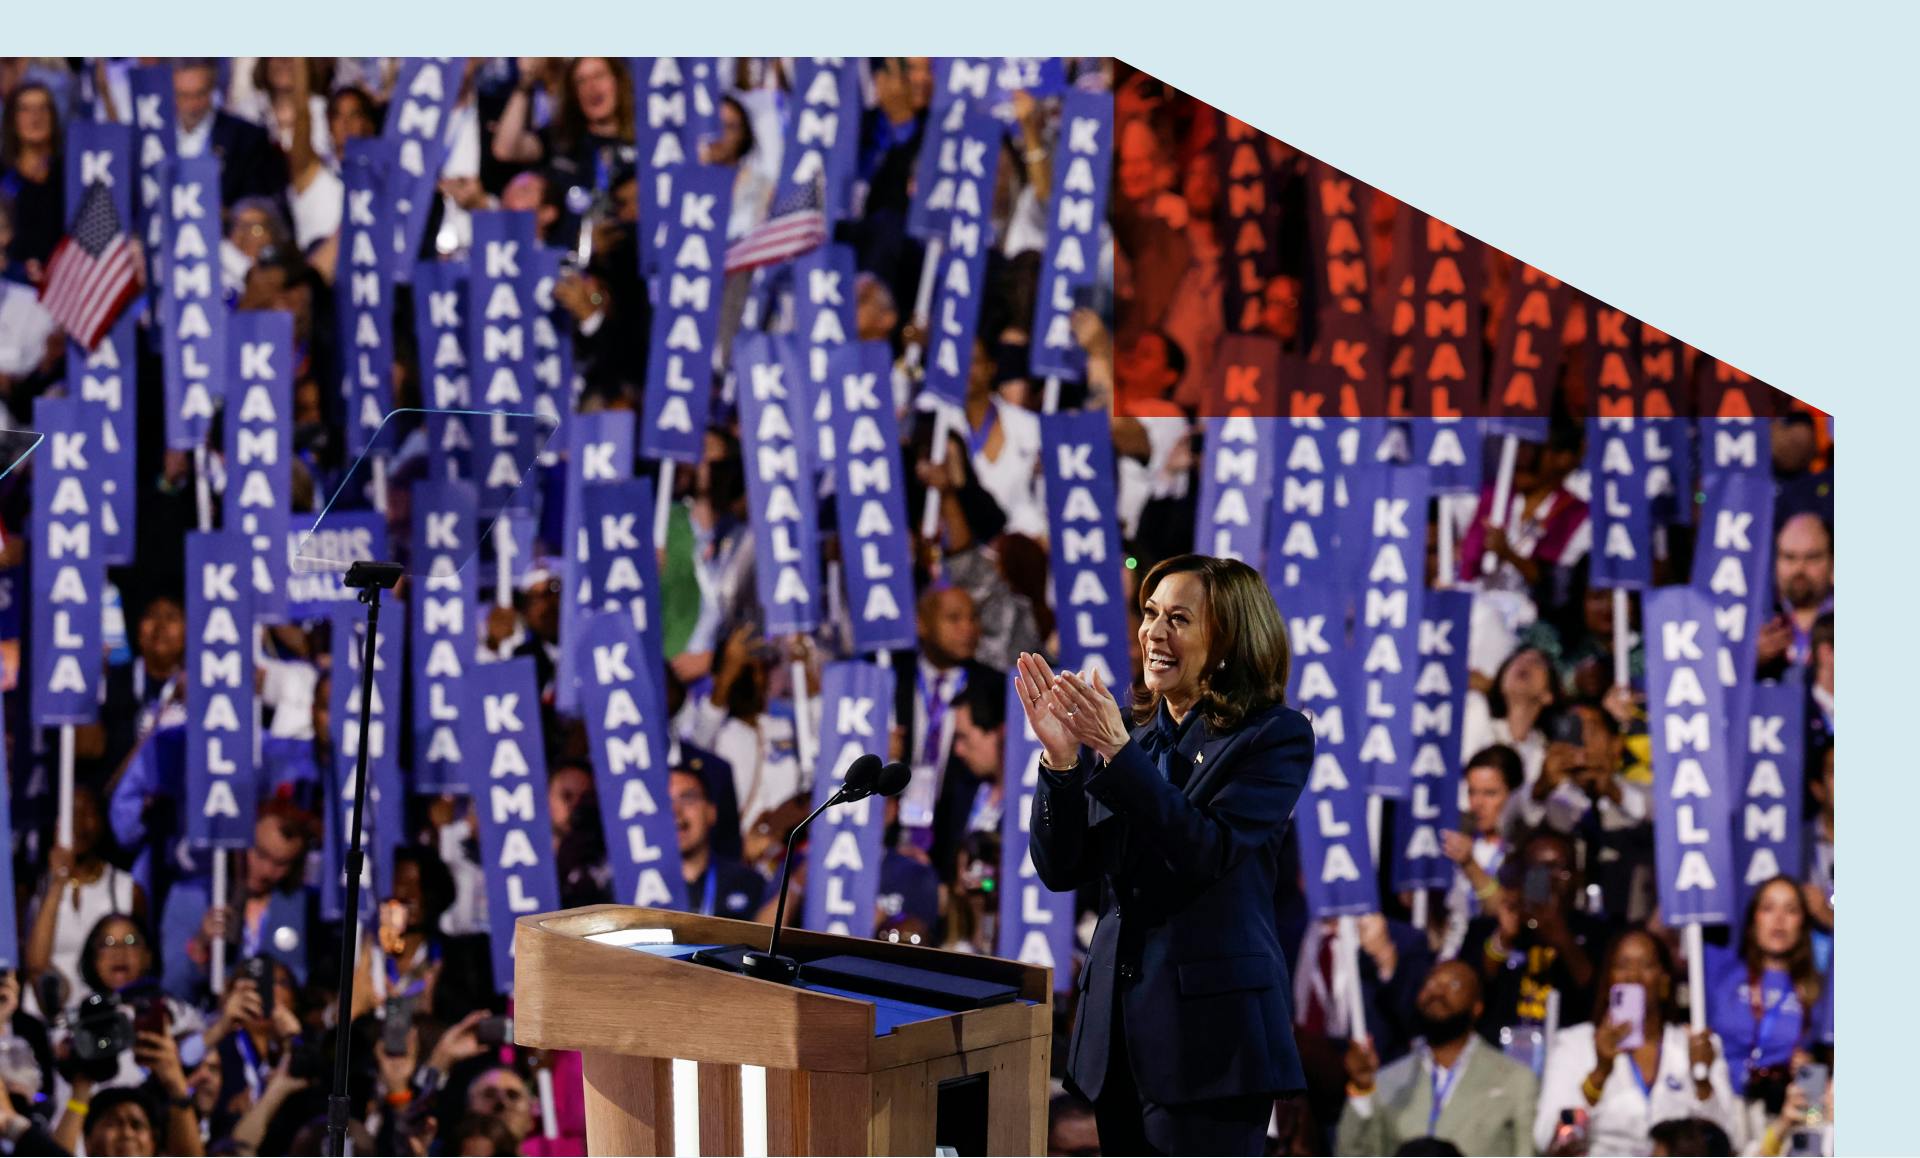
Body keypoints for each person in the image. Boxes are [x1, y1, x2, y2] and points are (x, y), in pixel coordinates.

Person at [1022, 554, 1312, 1155]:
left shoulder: (1273, 737)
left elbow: (1207, 850)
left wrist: (1116, 754)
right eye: (1150, 614)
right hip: (1120, 1040)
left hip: (1211, 1048)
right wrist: (1061, 762)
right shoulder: (1137, 736)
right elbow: (1063, 869)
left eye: (1179, 619)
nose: (1153, 632)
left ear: (1227, 639)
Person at [1533, 929, 1741, 1155]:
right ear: (1609, 978)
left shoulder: (1694, 1045)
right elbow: (1552, 1141)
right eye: (1622, 966)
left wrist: (1703, 1085)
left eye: (1646, 965)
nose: (1633, 976)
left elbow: (1725, 1142)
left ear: (1664, 979)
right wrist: (1598, 1076)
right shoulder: (1574, 1045)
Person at [1337, 961, 1539, 1156]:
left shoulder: (1515, 1080)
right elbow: (1353, 1154)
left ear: (1477, 1007)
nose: (1437, 991)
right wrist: (1362, 1089)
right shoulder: (1388, 1080)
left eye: (1453, 984)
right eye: (1430, 983)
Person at [23, 785, 145, 1011]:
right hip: (50, 1014)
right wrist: (57, 883)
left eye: (87, 813)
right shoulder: (34, 890)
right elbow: (35, 965)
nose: (78, 823)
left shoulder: (127, 890)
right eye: (71, 813)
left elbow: (141, 962)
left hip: (108, 1016)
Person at [1704, 877, 1826, 1098]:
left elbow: (1815, 1107)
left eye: (1791, 910)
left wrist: (1811, 1077)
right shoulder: (1719, 969)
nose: (1779, 920)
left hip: (1783, 1116)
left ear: (1803, 923)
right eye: (1768, 908)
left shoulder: (1816, 988)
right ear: (1753, 920)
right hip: (1721, 1109)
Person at [1440, 745, 1523, 958]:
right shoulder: (1457, 839)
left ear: (1514, 795)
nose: (1477, 803)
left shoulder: (1523, 849)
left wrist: (1470, 865)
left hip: (1494, 961)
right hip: (1450, 955)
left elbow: (1503, 912)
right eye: (1472, 791)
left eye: (1490, 793)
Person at [671, 768, 766, 920]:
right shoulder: (633, 887)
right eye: (665, 801)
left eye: (687, 798)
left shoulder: (748, 883)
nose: (675, 811)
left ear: (711, 812)